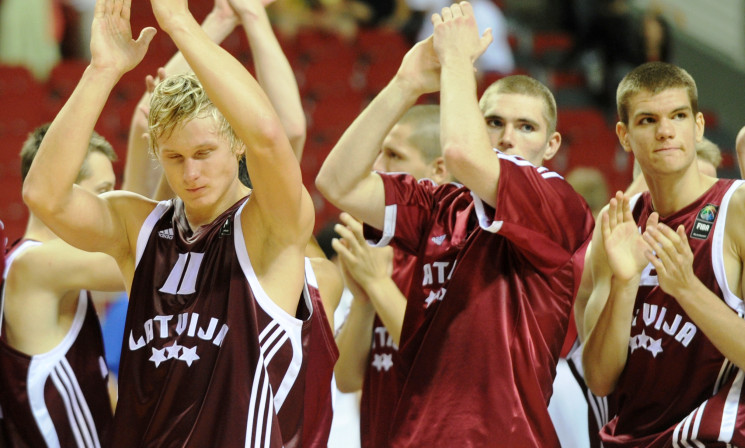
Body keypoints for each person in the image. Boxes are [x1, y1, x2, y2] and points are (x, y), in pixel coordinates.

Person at [21, 0, 320, 445]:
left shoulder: (269, 222)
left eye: (203, 153)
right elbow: (43, 195)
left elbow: (272, 134)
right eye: (175, 158)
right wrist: (101, 71)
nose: (190, 174)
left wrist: (180, 24)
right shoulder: (138, 225)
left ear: (237, 145)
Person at [316, 3, 594, 445]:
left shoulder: (558, 201)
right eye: (495, 123)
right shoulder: (440, 204)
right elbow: (337, 183)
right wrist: (405, 84)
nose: (508, 137)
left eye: (526, 127)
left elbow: (463, 154)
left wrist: (458, 65)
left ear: (551, 144)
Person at [581, 61, 745, 447]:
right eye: (647, 120)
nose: (665, 131)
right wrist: (625, 285)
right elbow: (598, 379)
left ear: (697, 126)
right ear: (624, 136)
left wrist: (688, 289)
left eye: (678, 116)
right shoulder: (617, 223)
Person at [331, 104, 449, 448]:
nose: (378, 168)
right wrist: (366, 302)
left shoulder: (457, 250)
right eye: (379, 154)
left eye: (394, 156)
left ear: (437, 169)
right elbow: (346, 379)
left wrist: (377, 283)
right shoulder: (380, 252)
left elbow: (436, 364)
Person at [0, 124, 124, 447]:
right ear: (61, 189)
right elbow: (144, 256)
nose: (113, 206)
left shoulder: (56, 263)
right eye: (103, 192)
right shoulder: (37, 266)